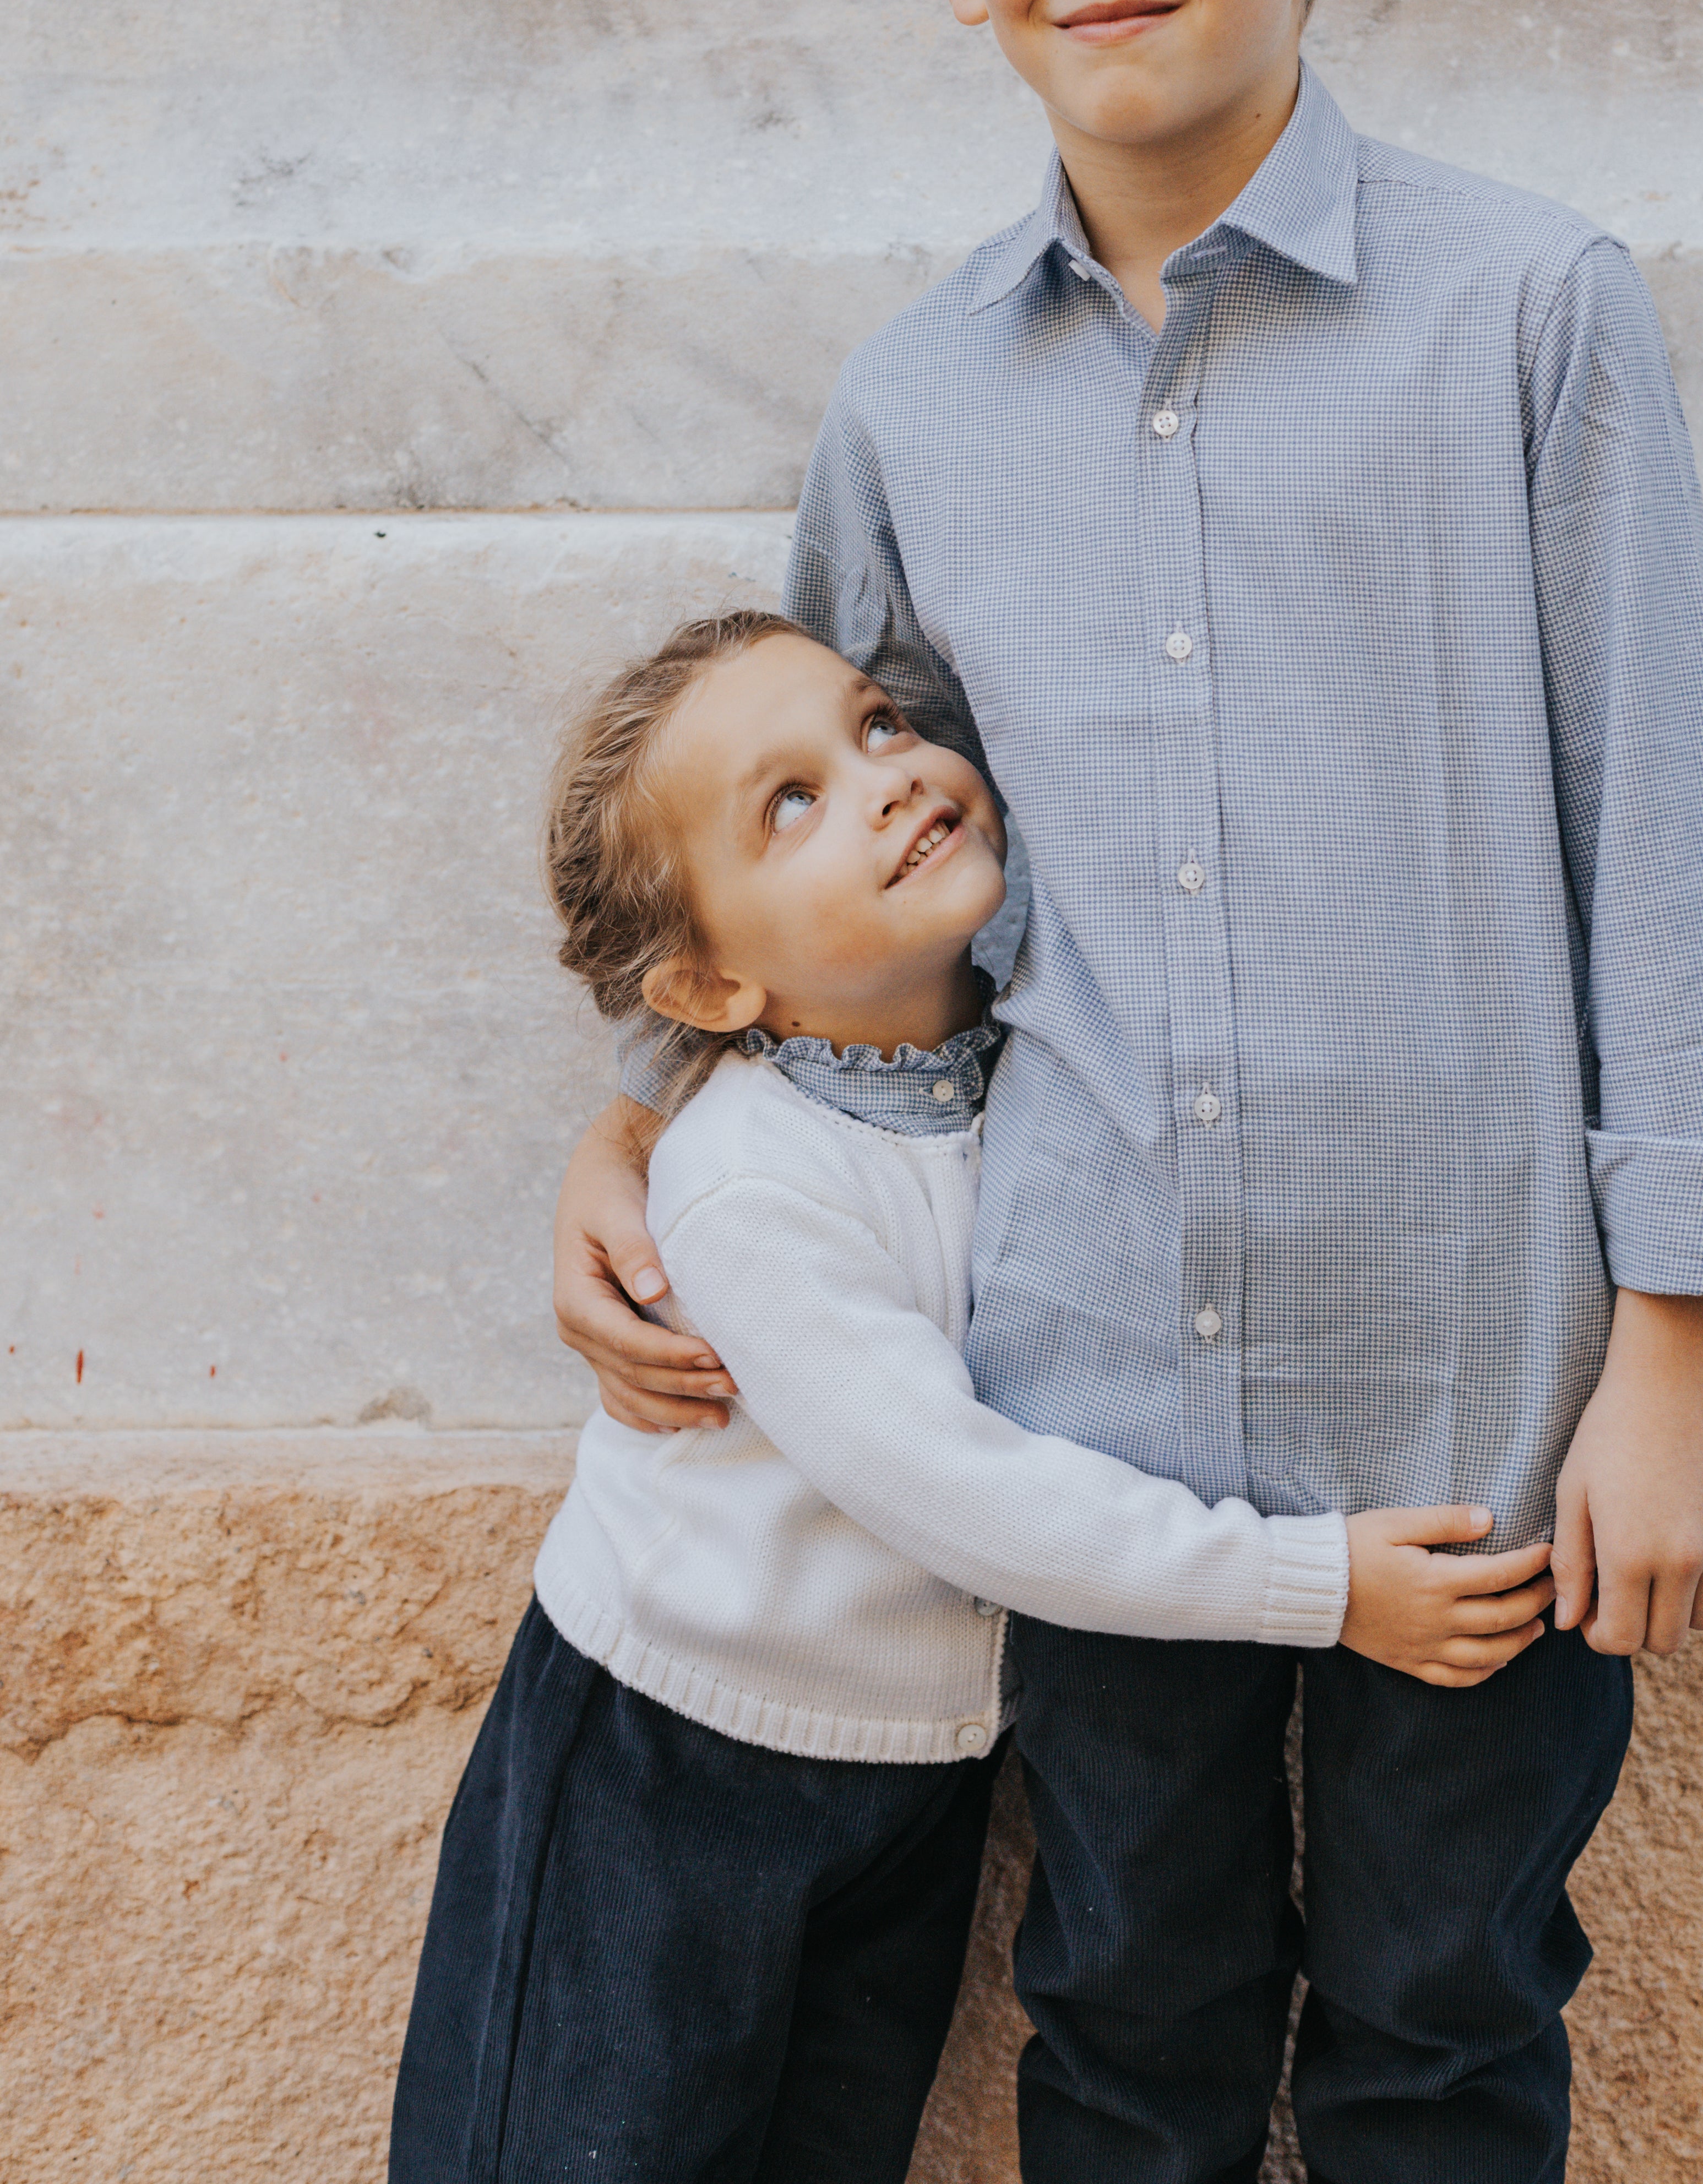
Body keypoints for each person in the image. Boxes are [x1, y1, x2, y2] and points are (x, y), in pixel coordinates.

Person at [553, 0, 1703, 2181]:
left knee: (1444, 2018)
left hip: (1480, 1409)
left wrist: (1678, 1346)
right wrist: (645, 1123)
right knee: (1123, 2016)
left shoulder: (1529, 316)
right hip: (1094, 1394)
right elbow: (822, 843)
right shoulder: (916, 401)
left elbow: (1661, 831)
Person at [392, 607, 1559, 2184]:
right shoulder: (748, 1182)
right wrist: (1319, 1584)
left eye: (878, 725)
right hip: (669, 1767)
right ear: (710, 981)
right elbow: (968, 1491)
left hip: (913, 1786)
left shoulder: (1034, 1085)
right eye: (787, 802)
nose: (884, 779)